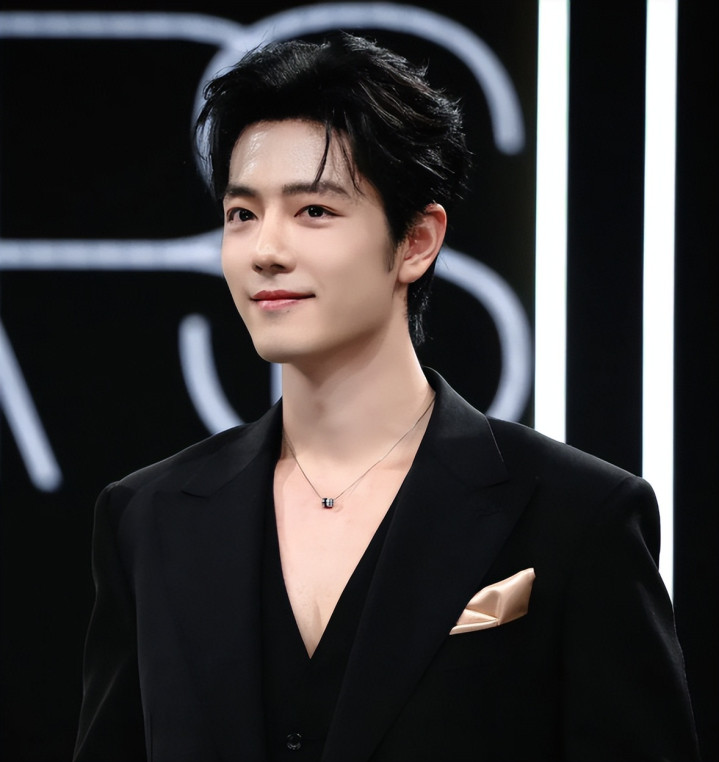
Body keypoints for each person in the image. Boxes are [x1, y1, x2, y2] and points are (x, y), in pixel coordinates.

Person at [73, 33, 700, 762]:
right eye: (242, 214)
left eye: (314, 210)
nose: (265, 250)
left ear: (416, 241)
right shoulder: (147, 518)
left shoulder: (578, 516)